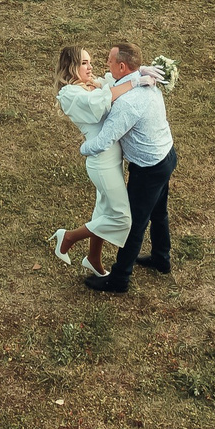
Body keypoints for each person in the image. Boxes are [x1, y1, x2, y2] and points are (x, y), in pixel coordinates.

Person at [76, 41, 175, 293]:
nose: (106, 64)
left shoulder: (128, 103)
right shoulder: (144, 80)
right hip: (166, 155)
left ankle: (119, 279)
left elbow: (104, 141)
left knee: (134, 224)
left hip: (149, 169)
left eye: (110, 61)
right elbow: (115, 80)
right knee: (158, 212)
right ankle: (161, 258)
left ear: (122, 66)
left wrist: (82, 148)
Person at [51, 46, 147, 276]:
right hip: (102, 162)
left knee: (103, 211)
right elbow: (101, 102)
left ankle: (93, 258)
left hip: (112, 159)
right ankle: (68, 237)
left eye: (90, 62)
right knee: (122, 219)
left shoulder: (90, 85)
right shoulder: (70, 95)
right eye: (84, 63)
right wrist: (133, 83)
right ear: (71, 66)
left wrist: (139, 73)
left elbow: (110, 86)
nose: (90, 67)